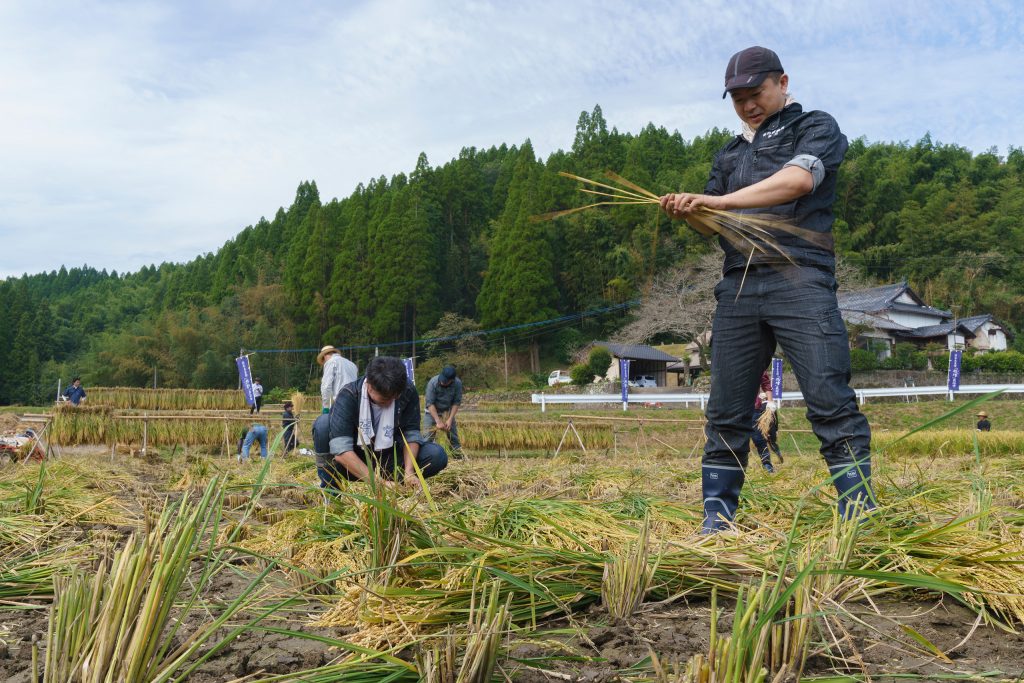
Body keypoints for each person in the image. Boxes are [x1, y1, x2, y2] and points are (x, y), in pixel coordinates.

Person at [660, 46, 875, 532]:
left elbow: (797, 181)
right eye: (737, 98)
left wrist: (716, 200)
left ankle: (859, 513)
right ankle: (717, 519)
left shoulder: (814, 127)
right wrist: (690, 210)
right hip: (738, 286)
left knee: (828, 398)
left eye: (755, 93)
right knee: (727, 409)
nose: (747, 105)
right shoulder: (730, 154)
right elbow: (709, 228)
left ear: (781, 82)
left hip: (800, 277)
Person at [311, 356, 447, 490]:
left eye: (394, 397)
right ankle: (331, 490)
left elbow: (411, 433)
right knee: (323, 424)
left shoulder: (407, 390)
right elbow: (341, 450)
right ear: (369, 385)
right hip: (356, 459)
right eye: (384, 399)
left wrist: (409, 471)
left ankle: (400, 485)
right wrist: (378, 483)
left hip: (389, 457)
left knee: (437, 455)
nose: (389, 402)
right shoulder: (349, 395)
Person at [425, 365, 463, 453]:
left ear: (452, 380)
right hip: (432, 412)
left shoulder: (457, 384)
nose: (442, 382)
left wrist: (450, 419)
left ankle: (458, 457)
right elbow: (430, 404)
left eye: (445, 381)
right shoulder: (433, 382)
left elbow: (456, 402)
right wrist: (438, 421)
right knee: (427, 437)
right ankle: (425, 459)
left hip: (447, 413)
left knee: (453, 437)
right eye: (442, 380)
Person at [750, 370, 780, 473]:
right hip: (736, 409)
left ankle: (767, 465)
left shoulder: (758, 363)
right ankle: (738, 465)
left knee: (759, 439)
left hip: (754, 408)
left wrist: (770, 401)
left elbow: (766, 384)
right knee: (738, 438)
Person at [318, 345, 358, 413]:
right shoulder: (352, 364)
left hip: (341, 402)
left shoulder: (331, 362)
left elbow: (326, 386)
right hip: (355, 402)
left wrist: (325, 406)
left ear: (324, 356)